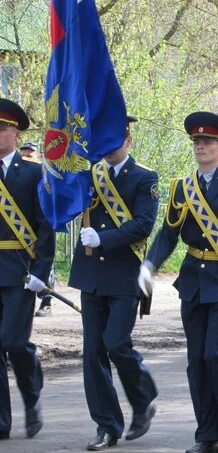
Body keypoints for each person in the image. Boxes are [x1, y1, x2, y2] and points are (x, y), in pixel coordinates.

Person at [140, 112, 218, 453]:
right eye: (196, 142)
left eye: (207, 142)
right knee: (197, 362)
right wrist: (149, 264)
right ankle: (205, 433)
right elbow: (168, 234)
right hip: (194, 281)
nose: (201, 147)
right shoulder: (182, 187)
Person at [68, 116, 158, 451]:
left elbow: (144, 225)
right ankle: (107, 425)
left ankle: (143, 395)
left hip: (124, 274)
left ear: (128, 140)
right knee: (93, 352)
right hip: (91, 274)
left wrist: (103, 238)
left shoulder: (144, 177)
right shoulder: (89, 173)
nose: (108, 147)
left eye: (114, 140)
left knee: (116, 343)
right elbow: (65, 194)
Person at [0, 99, 55, 440]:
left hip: (20, 271)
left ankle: (32, 393)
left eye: (2, 129)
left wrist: (42, 270)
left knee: (14, 342)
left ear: (16, 135)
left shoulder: (34, 172)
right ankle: (2, 422)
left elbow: (45, 226)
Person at [18, 142, 54, 317]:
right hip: (16, 237)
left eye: (30, 152)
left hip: (34, 236)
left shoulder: (38, 173)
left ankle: (46, 300)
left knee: (45, 265)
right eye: (24, 152)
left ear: (37, 155)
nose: (26, 154)